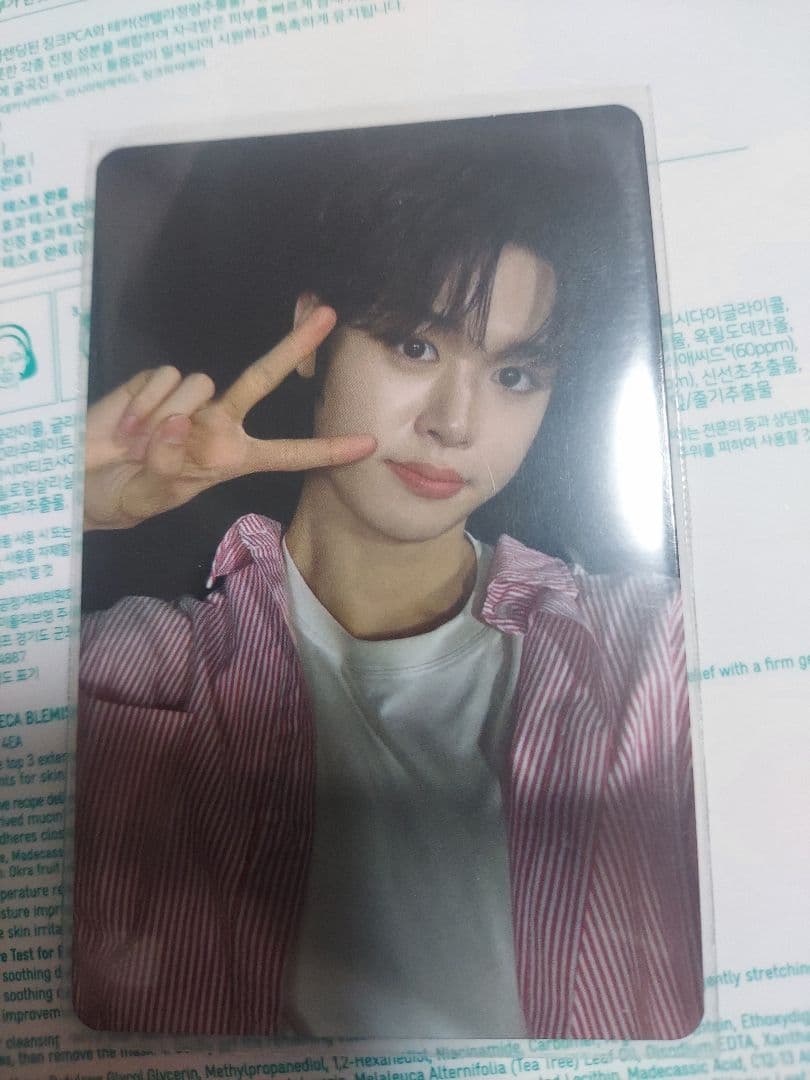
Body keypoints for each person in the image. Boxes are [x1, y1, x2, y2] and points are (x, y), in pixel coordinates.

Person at [74, 146, 702, 1039]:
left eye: (514, 375)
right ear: (313, 335)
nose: (455, 422)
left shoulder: (656, 648)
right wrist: (53, 514)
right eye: (416, 345)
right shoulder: (126, 673)